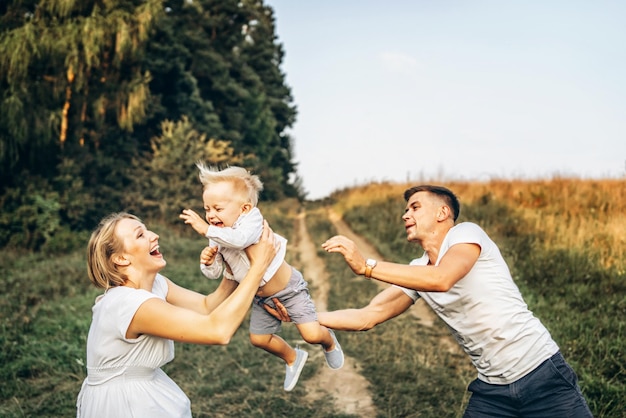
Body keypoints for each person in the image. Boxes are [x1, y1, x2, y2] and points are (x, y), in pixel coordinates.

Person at [267, 185, 593, 417]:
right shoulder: (417, 271)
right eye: (406, 209)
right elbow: (369, 315)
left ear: (443, 212)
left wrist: (367, 266)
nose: (405, 214)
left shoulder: (467, 235)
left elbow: (443, 278)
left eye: (415, 207)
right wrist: (301, 315)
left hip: (543, 377)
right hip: (492, 393)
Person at [76, 212, 278, 418]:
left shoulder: (155, 284)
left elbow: (207, 306)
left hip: (147, 387)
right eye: (140, 235)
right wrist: (258, 266)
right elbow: (218, 331)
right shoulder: (128, 304)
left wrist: (232, 265)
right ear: (121, 258)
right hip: (123, 404)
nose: (154, 235)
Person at [179, 164, 344, 392]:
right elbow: (216, 273)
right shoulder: (217, 235)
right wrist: (208, 262)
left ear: (245, 208)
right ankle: (293, 357)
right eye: (207, 209)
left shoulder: (251, 220)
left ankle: (329, 341)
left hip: (289, 290)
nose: (210, 215)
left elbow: (240, 240)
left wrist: (206, 229)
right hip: (260, 298)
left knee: (312, 333)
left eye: (217, 208)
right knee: (259, 339)